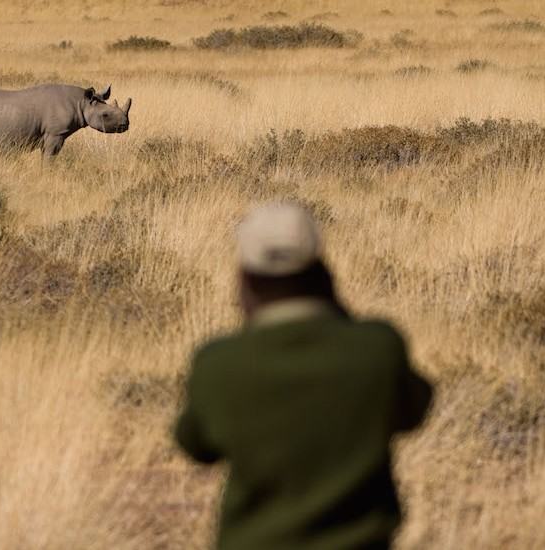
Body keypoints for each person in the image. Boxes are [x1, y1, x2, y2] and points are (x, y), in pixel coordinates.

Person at [174, 202, 433, 550]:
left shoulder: (219, 364)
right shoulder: (378, 349)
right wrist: (335, 315)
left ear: (244, 279)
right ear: (323, 272)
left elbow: (196, 446)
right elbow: (413, 412)